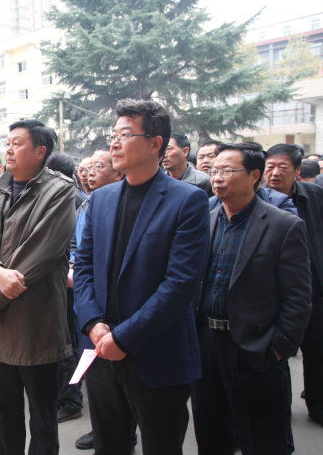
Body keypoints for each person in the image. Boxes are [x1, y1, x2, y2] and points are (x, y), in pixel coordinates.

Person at [73, 100, 210, 454]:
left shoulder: (187, 200)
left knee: (161, 445)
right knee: (109, 445)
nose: (114, 143)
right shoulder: (101, 199)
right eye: (113, 135)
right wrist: (92, 322)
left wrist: (123, 337)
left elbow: (180, 285)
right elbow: (83, 266)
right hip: (100, 349)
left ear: (155, 144)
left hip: (156, 351)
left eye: (125, 134)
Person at [191, 142, 312, 454]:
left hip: (255, 348)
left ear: (255, 175)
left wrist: (278, 347)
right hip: (206, 344)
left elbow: (298, 297)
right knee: (211, 434)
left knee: (263, 439)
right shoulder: (204, 218)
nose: (217, 177)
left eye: (228, 171)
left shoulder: (283, 225)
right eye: (214, 170)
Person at [0, 119, 74, 455]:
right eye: (8, 142)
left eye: (18, 143)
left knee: (42, 415)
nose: (9, 149)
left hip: (34, 319)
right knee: (4, 409)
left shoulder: (60, 191)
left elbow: (40, 252)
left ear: (41, 151)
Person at [73, 147, 128, 452]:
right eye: (88, 167)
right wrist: (91, 319)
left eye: (98, 167)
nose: (90, 172)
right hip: (89, 312)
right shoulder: (88, 204)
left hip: (123, 319)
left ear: (118, 173)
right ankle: (102, 430)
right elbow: (81, 256)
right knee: (99, 386)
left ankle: (127, 434)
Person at [264, 144, 323, 428]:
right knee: (275, 354)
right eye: (270, 167)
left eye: (283, 167)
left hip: (313, 290)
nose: (275, 173)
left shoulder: (315, 196)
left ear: (297, 171)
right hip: (273, 293)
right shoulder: (258, 199)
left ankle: (318, 405)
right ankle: (278, 412)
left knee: (317, 351)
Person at [46, 151, 86, 425]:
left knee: (67, 343)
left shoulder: (70, 197)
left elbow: (71, 243)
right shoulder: (70, 194)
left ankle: (71, 400)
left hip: (68, 281)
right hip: (62, 280)